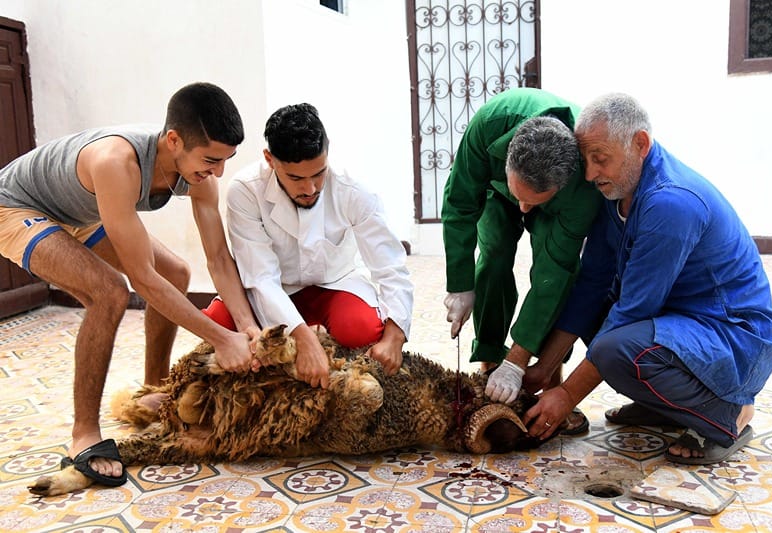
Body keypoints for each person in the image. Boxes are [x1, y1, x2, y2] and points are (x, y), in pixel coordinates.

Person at [0, 82, 261, 487]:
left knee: (177, 272)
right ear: (174, 140)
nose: (218, 172)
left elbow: (218, 259)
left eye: (226, 160)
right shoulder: (115, 162)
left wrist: (245, 326)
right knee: (110, 292)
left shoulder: (199, 172)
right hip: (17, 205)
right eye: (211, 160)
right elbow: (142, 280)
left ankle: (151, 392)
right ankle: (84, 433)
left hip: (79, 211)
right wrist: (221, 340)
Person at [522, 92, 772, 464]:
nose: (589, 174)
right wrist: (542, 371)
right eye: (586, 160)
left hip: (733, 336)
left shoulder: (671, 204)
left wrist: (565, 396)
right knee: (596, 313)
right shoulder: (616, 195)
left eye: (600, 159)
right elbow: (592, 284)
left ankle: (727, 416)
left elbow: (631, 313)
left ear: (640, 144)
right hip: (682, 323)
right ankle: (666, 407)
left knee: (616, 348)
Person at [207, 103, 413, 389]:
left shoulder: (353, 191)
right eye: (296, 178)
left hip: (333, 285)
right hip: (271, 290)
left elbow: (390, 266)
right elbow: (261, 277)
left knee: (362, 329)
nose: (311, 189)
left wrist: (395, 337)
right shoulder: (244, 190)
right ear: (269, 159)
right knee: (217, 322)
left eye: (319, 174)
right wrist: (302, 339)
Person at [441, 87, 602, 434]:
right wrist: (460, 285)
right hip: (496, 192)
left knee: (555, 278)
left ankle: (548, 381)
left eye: (532, 202)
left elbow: (554, 273)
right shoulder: (489, 125)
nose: (523, 210)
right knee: (495, 254)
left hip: (557, 205)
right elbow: (460, 204)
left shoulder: (582, 192)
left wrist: (519, 360)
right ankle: (489, 365)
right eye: (521, 199)